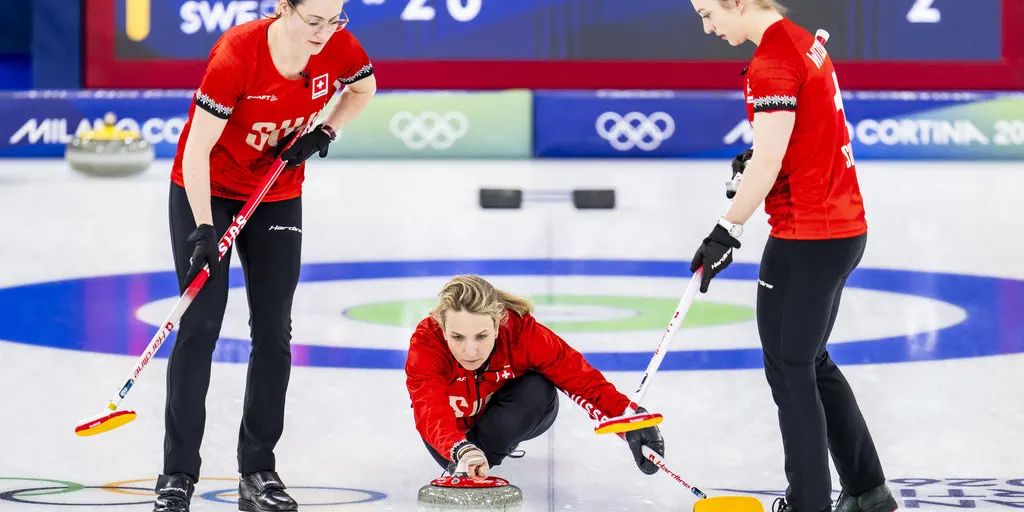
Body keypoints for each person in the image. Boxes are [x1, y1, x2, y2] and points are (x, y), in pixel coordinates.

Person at [154, 0, 376, 510]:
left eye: (335, 20)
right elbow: (196, 150)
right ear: (283, 9)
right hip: (208, 191)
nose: (324, 32)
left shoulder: (339, 46)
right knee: (200, 326)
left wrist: (325, 130)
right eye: (313, 20)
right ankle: (177, 474)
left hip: (276, 191)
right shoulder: (238, 55)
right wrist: (203, 231)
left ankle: (258, 471)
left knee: (274, 332)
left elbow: (363, 89)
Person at [685, 2, 898, 512]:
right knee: (808, 361)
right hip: (840, 230)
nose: (708, 28)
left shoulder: (773, 62)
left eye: (709, 13)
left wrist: (726, 230)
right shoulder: (799, 40)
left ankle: (808, 504)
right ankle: (867, 489)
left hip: (808, 237)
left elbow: (771, 159)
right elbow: (804, 136)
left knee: (790, 368)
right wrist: (758, 158)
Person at [404, 275, 665, 481]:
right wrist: (460, 449)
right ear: (442, 326)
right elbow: (429, 408)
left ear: (498, 323)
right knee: (443, 430)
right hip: (451, 437)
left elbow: (582, 380)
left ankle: (480, 458)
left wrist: (630, 420)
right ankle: (468, 462)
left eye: (481, 336)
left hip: (511, 414)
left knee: (538, 388)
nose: (470, 351)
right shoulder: (427, 343)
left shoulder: (523, 334)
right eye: (457, 337)